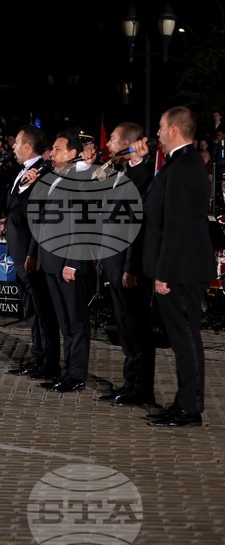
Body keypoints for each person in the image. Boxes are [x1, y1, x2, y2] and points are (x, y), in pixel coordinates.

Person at [134, 107, 215, 427]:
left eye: (160, 127)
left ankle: (190, 408)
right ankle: (183, 402)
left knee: (185, 338)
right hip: (179, 268)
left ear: (174, 130)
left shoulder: (184, 166)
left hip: (180, 271)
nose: (156, 133)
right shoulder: (181, 163)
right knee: (181, 338)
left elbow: (178, 226)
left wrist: (164, 273)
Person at [92, 122, 157, 407]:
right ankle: (130, 382)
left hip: (130, 265)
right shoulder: (121, 173)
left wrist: (131, 267)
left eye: (113, 139)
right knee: (125, 326)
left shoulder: (143, 176)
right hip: (114, 262)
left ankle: (142, 388)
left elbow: (137, 226)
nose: (108, 144)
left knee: (137, 326)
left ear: (127, 144)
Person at [27, 130, 95, 393]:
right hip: (51, 261)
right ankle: (68, 372)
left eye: (57, 149)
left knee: (76, 322)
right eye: (52, 149)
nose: (51, 153)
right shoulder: (53, 177)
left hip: (69, 263)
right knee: (64, 322)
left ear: (72, 153)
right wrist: (35, 253)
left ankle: (76, 375)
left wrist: (73, 262)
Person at [0, 125, 60, 380]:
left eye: (17, 142)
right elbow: (12, 206)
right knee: (31, 311)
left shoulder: (43, 173)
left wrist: (32, 252)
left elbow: (35, 214)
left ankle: (50, 363)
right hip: (18, 251)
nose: (12, 146)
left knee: (43, 311)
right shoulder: (19, 172)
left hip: (32, 253)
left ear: (28, 146)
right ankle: (37, 358)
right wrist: (6, 221)